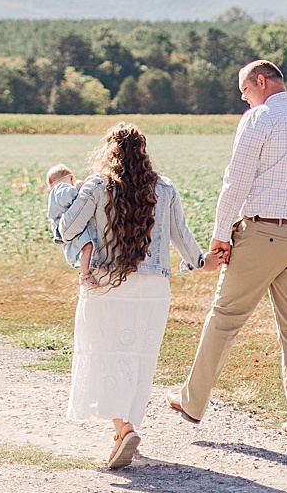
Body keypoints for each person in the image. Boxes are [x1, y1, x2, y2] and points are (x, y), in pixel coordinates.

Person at [167, 59, 287, 440]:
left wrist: (220, 235)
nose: (244, 99)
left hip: (264, 234)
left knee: (224, 317)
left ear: (260, 81)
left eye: (244, 91)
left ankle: (192, 402)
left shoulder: (260, 119)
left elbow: (235, 181)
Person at [57, 123, 204, 470]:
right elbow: (180, 234)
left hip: (108, 282)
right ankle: (124, 427)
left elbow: (67, 230)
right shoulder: (165, 188)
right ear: (144, 153)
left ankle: (124, 428)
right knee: (138, 358)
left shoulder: (97, 185)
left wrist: (63, 195)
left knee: (107, 356)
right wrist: (198, 262)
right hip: (154, 289)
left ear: (109, 153)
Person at [45, 163, 100, 283]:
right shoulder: (60, 188)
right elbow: (71, 197)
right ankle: (85, 275)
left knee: (84, 248)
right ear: (71, 178)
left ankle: (85, 271)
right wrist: (80, 188)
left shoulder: (55, 191)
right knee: (88, 246)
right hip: (67, 225)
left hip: (66, 226)